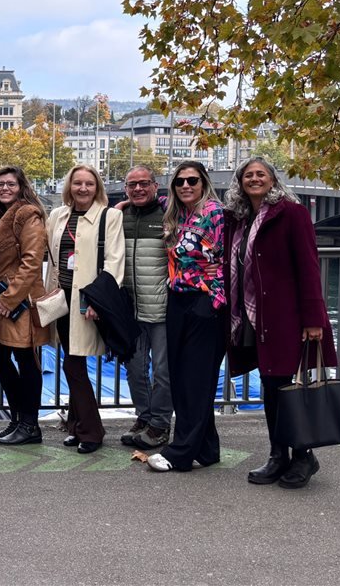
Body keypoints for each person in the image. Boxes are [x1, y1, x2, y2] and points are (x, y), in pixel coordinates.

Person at [224, 157, 337, 489]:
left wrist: (314, 318)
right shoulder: (238, 218)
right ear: (240, 182)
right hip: (250, 316)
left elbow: (308, 267)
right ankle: (278, 455)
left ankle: (303, 455)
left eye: (261, 174)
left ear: (273, 181)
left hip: (285, 315)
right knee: (272, 388)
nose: (255, 179)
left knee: (288, 388)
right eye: (248, 175)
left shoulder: (292, 213)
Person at [147, 161, 226, 473]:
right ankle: (207, 448)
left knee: (195, 379)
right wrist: (123, 203)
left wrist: (216, 291)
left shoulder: (216, 213)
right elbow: (148, 198)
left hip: (206, 301)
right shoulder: (174, 212)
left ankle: (180, 453)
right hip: (177, 299)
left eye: (192, 180)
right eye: (179, 181)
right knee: (183, 378)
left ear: (203, 181)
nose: (185, 186)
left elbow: (231, 254)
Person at [46, 164, 124, 454]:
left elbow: (115, 260)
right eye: (77, 183)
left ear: (97, 187)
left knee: (74, 363)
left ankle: (92, 430)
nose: (83, 188)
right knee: (71, 359)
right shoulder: (57, 215)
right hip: (61, 299)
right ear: (69, 186)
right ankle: (78, 425)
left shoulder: (110, 216)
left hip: (88, 300)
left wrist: (96, 300)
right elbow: (51, 257)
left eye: (89, 184)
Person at [0, 166, 50, 446]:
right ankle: (18, 418)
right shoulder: (3, 216)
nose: (5, 188)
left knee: (27, 361)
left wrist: (9, 299)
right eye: (0, 184)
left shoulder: (28, 215)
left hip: (20, 301)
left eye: (10, 184)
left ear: (21, 186)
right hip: (6, 299)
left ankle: (29, 425)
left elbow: (32, 261)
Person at [117, 166, 173, 449]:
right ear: (125, 189)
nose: (138, 189)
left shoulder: (168, 216)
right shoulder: (119, 216)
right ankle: (145, 417)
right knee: (135, 368)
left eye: (144, 184)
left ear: (155, 186)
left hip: (161, 308)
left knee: (163, 371)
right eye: (132, 185)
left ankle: (161, 424)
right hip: (130, 310)